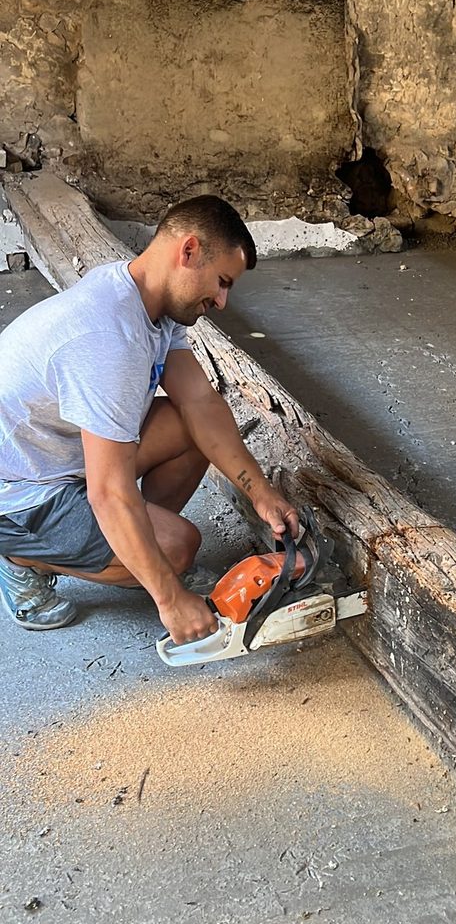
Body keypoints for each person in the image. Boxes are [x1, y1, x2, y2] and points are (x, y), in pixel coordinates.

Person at [0, 194, 299, 645]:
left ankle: (137, 549)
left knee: (190, 426)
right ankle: (22, 559)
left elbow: (200, 403)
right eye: (221, 282)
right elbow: (109, 491)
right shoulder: (108, 339)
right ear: (189, 251)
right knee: (177, 547)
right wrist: (169, 596)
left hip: (57, 453)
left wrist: (260, 492)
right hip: (20, 493)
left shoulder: (146, 302)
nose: (221, 301)